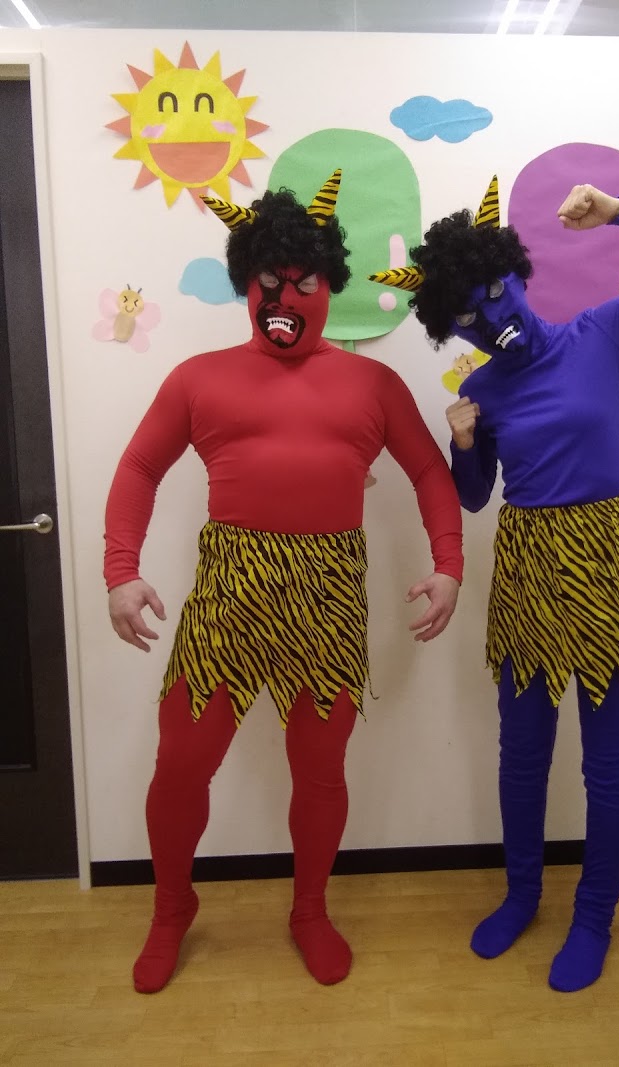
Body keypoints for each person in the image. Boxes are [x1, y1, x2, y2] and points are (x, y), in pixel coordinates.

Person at [371, 178, 619, 992]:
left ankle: (594, 916)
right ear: (451, 327)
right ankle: (523, 895)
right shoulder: (482, 390)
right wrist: (464, 443)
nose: (488, 318)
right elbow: (476, 497)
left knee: (609, 761)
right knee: (523, 752)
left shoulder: (605, 332)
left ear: (515, 273)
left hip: (615, 556)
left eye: (492, 294)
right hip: (531, 563)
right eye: (466, 317)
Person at [104, 171, 463, 994]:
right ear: (248, 283)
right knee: (181, 763)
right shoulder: (198, 377)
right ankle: (171, 906)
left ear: (329, 285)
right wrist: (121, 571)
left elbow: (428, 473)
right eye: (271, 280)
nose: (287, 297)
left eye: (304, 282)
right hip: (230, 591)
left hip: (328, 593)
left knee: (321, 769)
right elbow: (138, 467)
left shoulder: (374, 385)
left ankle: (309, 908)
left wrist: (449, 563)